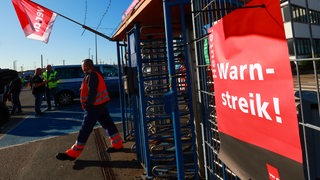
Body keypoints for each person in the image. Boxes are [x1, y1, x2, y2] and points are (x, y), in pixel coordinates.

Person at [56, 59, 123, 160]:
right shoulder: (97, 73)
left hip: (94, 107)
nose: (82, 69)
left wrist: (88, 105)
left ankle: (73, 153)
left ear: (88, 66)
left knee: (85, 129)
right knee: (109, 125)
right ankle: (118, 145)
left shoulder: (92, 75)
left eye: (83, 67)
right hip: (101, 105)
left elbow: (92, 92)